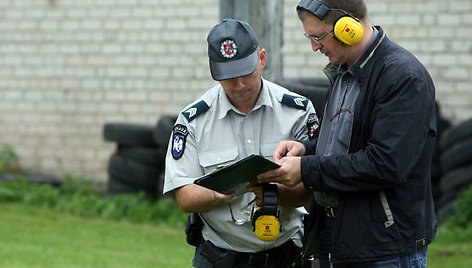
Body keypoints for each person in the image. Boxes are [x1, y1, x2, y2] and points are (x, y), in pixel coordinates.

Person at [256, 0, 438, 267]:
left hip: (385, 247)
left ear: (347, 28)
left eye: (318, 37)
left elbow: (385, 163)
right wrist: (305, 149)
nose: (314, 47)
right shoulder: (345, 72)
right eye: (309, 37)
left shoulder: (403, 78)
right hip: (340, 235)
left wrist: (305, 169)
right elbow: (346, 144)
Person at [164, 19, 319, 268]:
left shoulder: (297, 111)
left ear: (261, 58)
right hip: (220, 257)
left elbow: (312, 188)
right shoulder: (193, 120)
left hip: (288, 256)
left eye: (245, 72)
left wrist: (275, 193)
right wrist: (218, 192)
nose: (239, 85)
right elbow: (184, 196)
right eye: (228, 77)